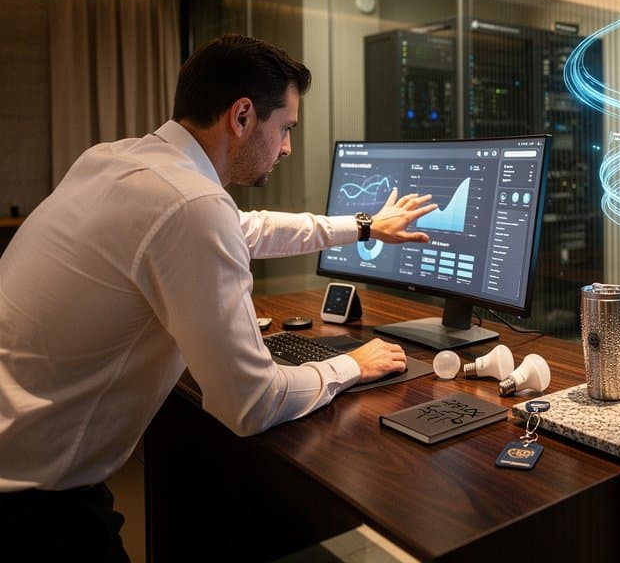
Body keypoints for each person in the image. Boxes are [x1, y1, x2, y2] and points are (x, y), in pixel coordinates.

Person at [0, 34, 437, 561]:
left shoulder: (118, 161)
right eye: (286, 128)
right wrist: (351, 367)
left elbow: (246, 228)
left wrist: (365, 225)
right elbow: (251, 404)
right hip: (32, 506)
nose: (287, 147)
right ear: (243, 115)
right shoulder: (191, 204)